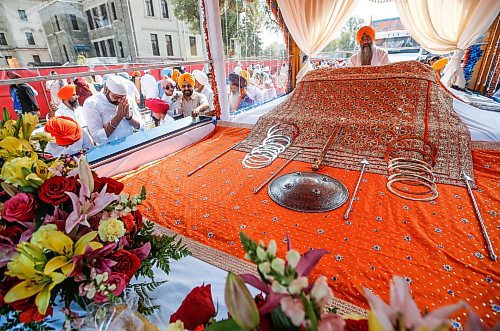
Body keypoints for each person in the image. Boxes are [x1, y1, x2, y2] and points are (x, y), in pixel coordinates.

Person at [82, 75, 145, 145]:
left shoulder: (128, 99)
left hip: (130, 144)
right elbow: (98, 138)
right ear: (106, 89)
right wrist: (118, 117)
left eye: (123, 97)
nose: (119, 100)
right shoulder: (92, 103)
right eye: (116, 97)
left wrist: (129, 118)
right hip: (110, 151)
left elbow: (141, 127)